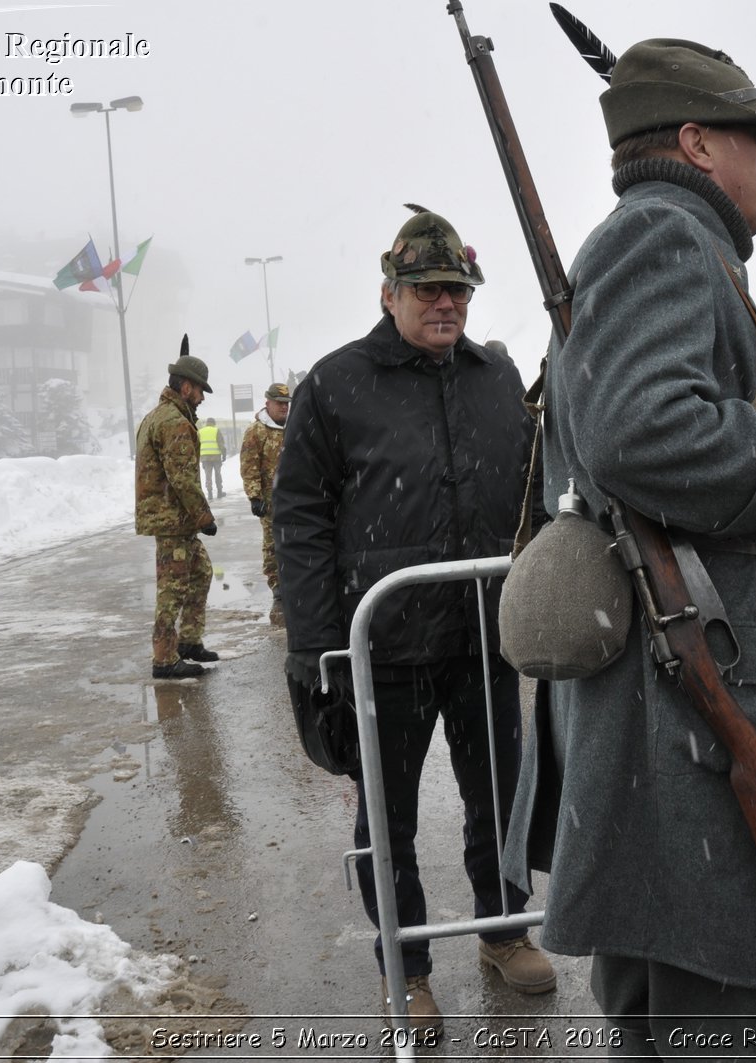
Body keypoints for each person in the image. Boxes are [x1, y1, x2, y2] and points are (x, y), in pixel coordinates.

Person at [501, 38, 756, 1056]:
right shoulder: (661, 237)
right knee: (728, 1010)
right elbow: (642, 433)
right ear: (700, 143)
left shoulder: (675, 243)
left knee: (678, 1009)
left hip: (691, 695)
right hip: (697, 708)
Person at [271, 206, 551, 1030]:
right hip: (384, 646)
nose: (446, 303)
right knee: (385, 818)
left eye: (457, 289)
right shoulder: (336, 383)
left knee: (501, 797)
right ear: (389, 293)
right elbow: (301, 518)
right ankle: (408, 963)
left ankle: (504, 930)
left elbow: (532, 494)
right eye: (428, 289)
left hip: (482, 637)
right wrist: (319, 649)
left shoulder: (496, 378)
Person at [134, 340, 220, 680]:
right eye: (200, 391)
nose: (201, 398)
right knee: (172, 590)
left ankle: (188, 642)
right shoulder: (174, 422)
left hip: (172, 518)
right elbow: (182, 478)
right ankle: (164, 659)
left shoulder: (161, 415)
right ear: (186, 387)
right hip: (172, 520)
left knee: (201, 573)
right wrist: (204, 517)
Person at [239, 382, 290, 626]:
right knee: (272, 545)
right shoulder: (256, 431)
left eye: (286, 404)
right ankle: (277, 591)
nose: (283, 408)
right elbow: (249, 466)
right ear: (267, 402)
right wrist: (255, 496)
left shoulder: (293, 427)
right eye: (279, 403)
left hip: (294, 499)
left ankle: (295, 585)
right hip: (270, 502)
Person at [197, 417, 225, 501]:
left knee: (208, 475)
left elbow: (196, 445)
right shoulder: (216, 430)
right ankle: (219, 492)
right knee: (217, 474)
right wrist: (224, 453)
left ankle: (210, 493)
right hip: (216, 456)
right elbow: (221, 443)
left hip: (205, 457)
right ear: (214, 423)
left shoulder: (200, 431)